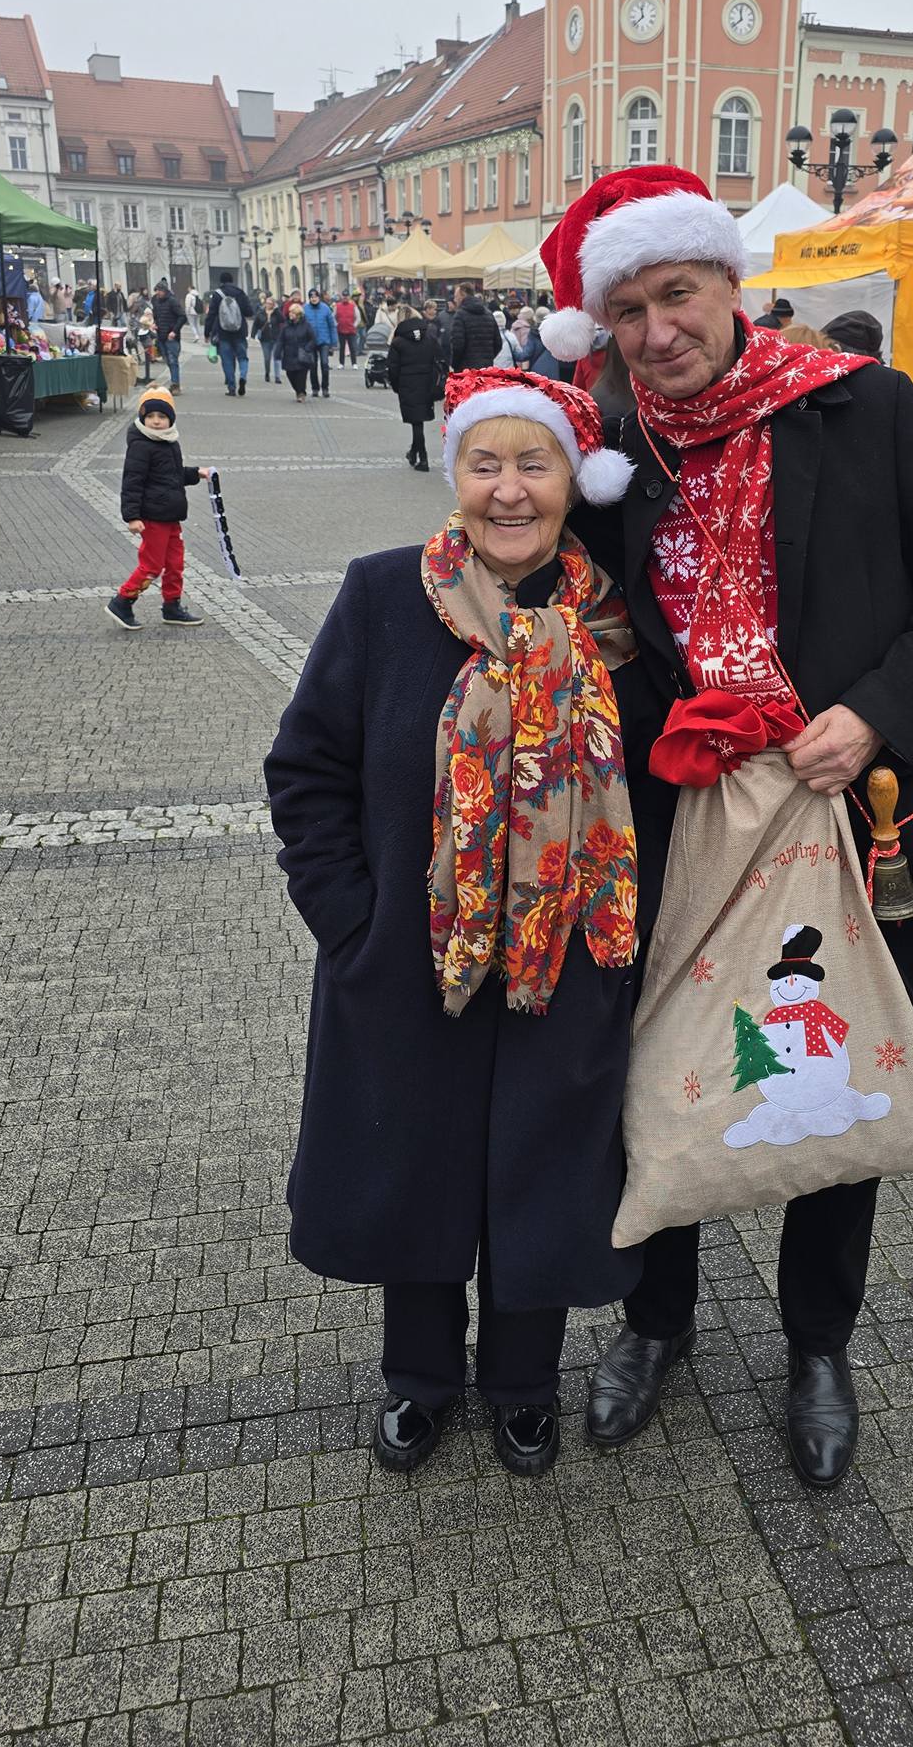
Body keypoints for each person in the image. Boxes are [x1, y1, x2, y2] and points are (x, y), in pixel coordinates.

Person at [538, 164, 913, 1488]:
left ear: (727, 286)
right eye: (627, 309)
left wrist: (875, 713)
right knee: (662, 1058)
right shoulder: (606, 451)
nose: (655, 332)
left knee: (827, 1061)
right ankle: (657, 1321)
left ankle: (819, 1342)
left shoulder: (857, 408)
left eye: (675, 294)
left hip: (833, 804)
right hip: (666, 811)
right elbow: (572, 603)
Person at [265, 367, 657, 1480]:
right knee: (416, 1169)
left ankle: (525, 1383)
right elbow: (305, 769)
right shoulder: (383, 594)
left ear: (573, 480)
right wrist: (352, 920)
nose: (510, 489)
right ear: (457, 479)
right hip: (409, 962)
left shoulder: (620, 628)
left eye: (533, 462)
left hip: (567, 963)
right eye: (486, 463)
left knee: (544, 1173)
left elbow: (669, 791)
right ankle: (421, 1378)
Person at [104, 386, 209, 630]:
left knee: (175, 562)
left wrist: (196, 473)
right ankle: (123, 600)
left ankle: (172, 606)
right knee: (151, 565)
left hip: (171, 516)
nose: (156, 421)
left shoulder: (169, 442)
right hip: (153, 517)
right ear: (143, 418)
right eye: (150, 417)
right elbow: (131, 481)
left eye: (161, 417)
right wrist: (132, 516)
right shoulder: (141, 445)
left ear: (170, 419)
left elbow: (172, 474)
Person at [387, 304, 441, 470]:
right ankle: (413, 452)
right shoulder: (429, 337)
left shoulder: (398, 342)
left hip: (407, 385)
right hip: (427, 384)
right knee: (418, 421)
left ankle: (423, 458)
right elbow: (439, 358)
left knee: (416, 421)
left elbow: (393, 368)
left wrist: (396, 386)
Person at [206, 269, 257, 397]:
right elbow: (249, 312)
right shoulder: (240, 293)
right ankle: (243, 376)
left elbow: (211, 314)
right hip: (239, 332)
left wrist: (207, 332)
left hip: (223, 333)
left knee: (227, 360)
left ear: (221, 281)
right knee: (242, 357)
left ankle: (231, 387)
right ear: (232, 280)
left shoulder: (217, 295)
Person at [450, 285, 501, 370]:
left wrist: (455, 365)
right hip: (486, 368)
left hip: (465, 370)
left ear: (463, 295)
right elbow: (498, 343)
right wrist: (488, 359)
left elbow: (457, 345)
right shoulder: (488, 314)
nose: (454, 300)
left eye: (456, 297)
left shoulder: (460, 315)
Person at [151, 280, 187, 393]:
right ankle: (174, 382)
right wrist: (154, 324)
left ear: (165, 291)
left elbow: (182, 317)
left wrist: (174, 331)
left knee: (173, 360)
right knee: (168, 361)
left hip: (171, 337)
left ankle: (175, 384)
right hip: (161, 336)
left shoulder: (172, 301)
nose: (158, 293)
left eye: (160, 291)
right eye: (157, 291)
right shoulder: (156, 302)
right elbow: (156, 316)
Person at [279, 299, 318, 400]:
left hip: (302, 355)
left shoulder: (306, 325)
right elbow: (281, 340)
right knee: (290, 374)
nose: (290, 314)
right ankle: (298, 391)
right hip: (289, 354)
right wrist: (278, 351)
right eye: (290, 312)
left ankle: (301, 393)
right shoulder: (286, 326)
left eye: (293, 312)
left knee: (301, 375)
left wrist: (307, 348)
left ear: (298, 314)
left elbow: (313, 339)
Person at [305, 290, 336, 397]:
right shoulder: (305, 309)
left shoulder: (325, 308)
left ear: (319, 297)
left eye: (315, 296)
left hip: (324, 341)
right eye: (311, 297)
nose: (313, 299)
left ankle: (325, 388)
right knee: (312, 365)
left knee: (324, 364)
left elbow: (332, 326)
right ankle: (315, 388)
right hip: (310, 341)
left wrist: (333, 342)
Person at [253, 297, 284, 385]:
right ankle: (267, 373)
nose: (268, 305)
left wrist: (276, 310)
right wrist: (252, 335)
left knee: (276, 357)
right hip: (265, 339)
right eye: (267, 303)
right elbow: (256, 324)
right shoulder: (260, 313)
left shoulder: (276, 313)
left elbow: (282, 320)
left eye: (270, 303)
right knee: (267, 358)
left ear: (273, 304)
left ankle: (277, 377)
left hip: (276, 338)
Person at [334, 293, 359, 367]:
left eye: (346, 296)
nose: (345, 297)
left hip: (351, 330)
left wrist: (354, 325)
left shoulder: (353, 306)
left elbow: (358, 317)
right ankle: (341, 363)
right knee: (342, 347)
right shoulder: (337, 306)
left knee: (352, 347)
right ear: (342, 297)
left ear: (349, 297)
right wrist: (336, 324)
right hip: (341, 329)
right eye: (344, 296)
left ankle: (354, 363)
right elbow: (333, 316)